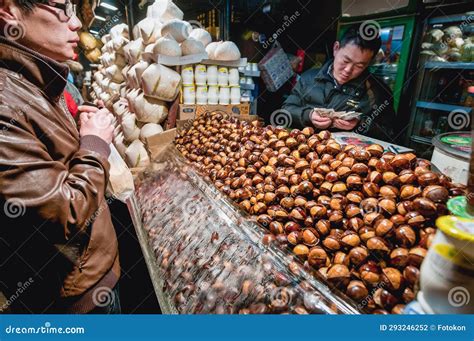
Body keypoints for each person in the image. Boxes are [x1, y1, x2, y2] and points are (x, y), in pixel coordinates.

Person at [0, 0, 120, 313]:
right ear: (8, 11)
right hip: (69, 303)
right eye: (60, 7)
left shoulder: (36, 84)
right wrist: (94, 144)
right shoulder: (5, 101)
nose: (77, 23)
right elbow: (62, 212)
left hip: (89, 281)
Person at [282, 24, 397, 141]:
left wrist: (361, 124)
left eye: (359, 66)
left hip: (348, 157)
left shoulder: (378, 92)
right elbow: (286, 109)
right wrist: (308, 115)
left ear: (368, 63)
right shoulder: (309, 77)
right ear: (336, 48)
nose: (348, 70)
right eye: (345, 60)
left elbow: (389, 133)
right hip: (303, 150)